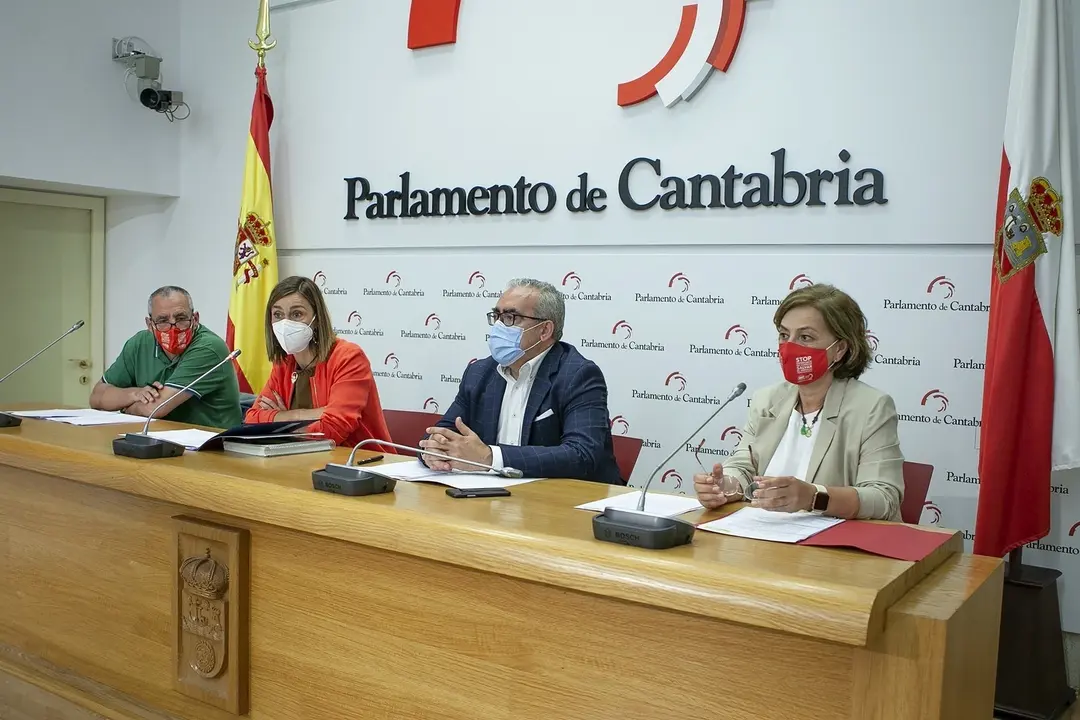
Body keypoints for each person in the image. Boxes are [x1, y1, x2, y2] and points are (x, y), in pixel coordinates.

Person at [693, 284, 904, 521]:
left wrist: (813, 497)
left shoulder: (872, 407)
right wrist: (726, 486)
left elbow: (884, 498)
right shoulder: (767, 399)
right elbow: (743, 466)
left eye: (805, 337)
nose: (790, 347)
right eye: (784, 335)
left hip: (835, 548)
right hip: (768, 539)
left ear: (840, 349)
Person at [420, 278, 622, 484]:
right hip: (494, 497)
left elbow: (583, 455)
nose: (499, 325)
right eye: (496, 316)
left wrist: (490, 458)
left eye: (510, 317)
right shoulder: (479, 372)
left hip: (563, 501)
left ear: (544, 330)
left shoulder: (578, 375)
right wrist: (434, 452)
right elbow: (442, 433)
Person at [244, 275, 394, 451]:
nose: (285, 322)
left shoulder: (349, 358)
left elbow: (332, 430)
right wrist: (310, 414)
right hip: (300, 459)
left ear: (316, 319)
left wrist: (280, 419)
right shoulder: (284, 363)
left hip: (358, 463)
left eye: (297, 314)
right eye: (277, 314)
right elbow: (252, 420)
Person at [90, 286, 243, 428]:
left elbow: (156, 408)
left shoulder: (209, 348)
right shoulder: (139, 343)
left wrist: (124, 406)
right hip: (161, 439)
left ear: (195, 319)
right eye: (162, 321)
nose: (173, 327)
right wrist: (134, 394)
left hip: (213, 448)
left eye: (181, 318)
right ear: (150, 324)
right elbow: (97, 397)